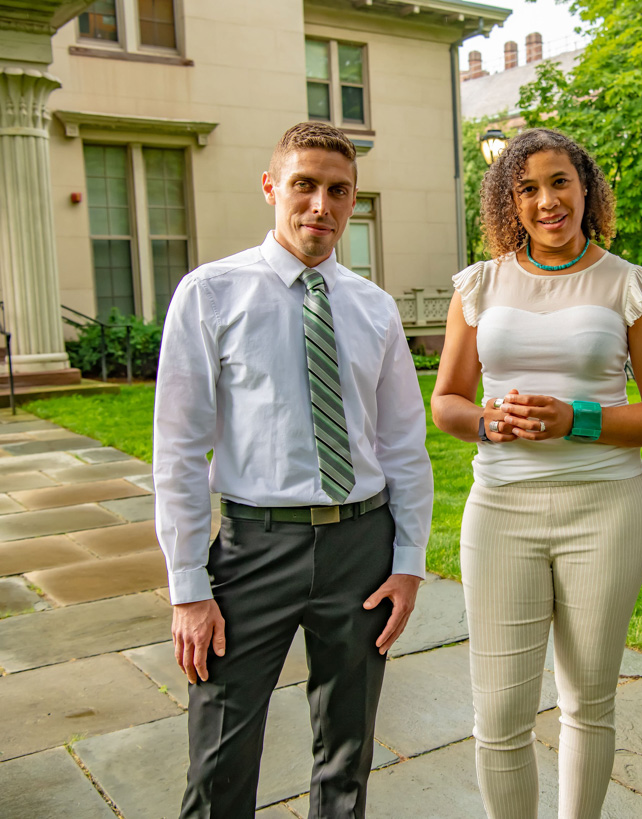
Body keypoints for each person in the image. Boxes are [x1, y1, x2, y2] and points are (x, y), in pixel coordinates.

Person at [153, 122, 433, 819]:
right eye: (304, 185)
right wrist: (188, 587)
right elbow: (179, 448)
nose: (320, 204)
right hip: (254, 550)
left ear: (352, 201)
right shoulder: (211, 293)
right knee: (220, 753)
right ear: (272, 187)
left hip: (361, 550)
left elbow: (404, 444)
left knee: (348, 750)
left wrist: (408, 561)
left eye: (338, 191)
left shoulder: (374, 308)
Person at [431, 128, 642, 818]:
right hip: (503, 511)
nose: (547, 201)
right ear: (509, 202)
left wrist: (577, 418)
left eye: (560, 182)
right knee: (501, 712)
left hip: (604, 511)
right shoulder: (478, 285)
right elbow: (447, 401)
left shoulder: (632, 286)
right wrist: (490, 420)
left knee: (587, 702)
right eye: (529, 188)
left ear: (586, 188)